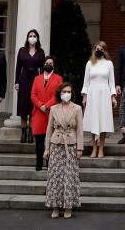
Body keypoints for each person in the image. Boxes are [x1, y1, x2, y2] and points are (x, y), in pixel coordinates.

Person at [44, 82, 84, 219]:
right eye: (63, 92)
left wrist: (80, 148)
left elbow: (80, 129)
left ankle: (68, 206)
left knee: (69, 177)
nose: (66, 94)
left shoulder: (77, 108)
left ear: (72, 94)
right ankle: (55, 206)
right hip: (56, 144)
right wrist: (46, 148)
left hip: (71, 145)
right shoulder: (54, 108)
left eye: (68, 92)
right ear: (59, 94)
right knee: (55, 177)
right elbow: (49, 129)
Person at [82, 41, 117, 158]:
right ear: (94, 50)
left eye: (101, 49)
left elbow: (112, 82)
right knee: (93, 120)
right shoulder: (89, 64)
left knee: (103, 121)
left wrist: (113, 97)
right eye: (97, 48)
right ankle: (94, 148)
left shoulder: (109, 64)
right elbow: (86, 82)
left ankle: (101, 148)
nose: (99, 51)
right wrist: (85, 96)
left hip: (104, 94)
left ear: (104, 51)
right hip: (92, 93)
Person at [31, 54, 62, 170]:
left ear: (54, 66)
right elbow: (33, 95)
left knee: (50, 140)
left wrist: (47, 105)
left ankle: (49, 164)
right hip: (39, 113)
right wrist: (40, 105)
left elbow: (57, 95)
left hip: (51, 113)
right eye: (46, 63)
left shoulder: (58, 78)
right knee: (39, 141)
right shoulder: (37, 78)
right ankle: (38, 164)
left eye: (50, 64)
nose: (48, 65)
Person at [15, 29, 46, 144]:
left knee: (33, 107)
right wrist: (16, 82)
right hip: (24, 79)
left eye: (34, 36)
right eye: (30, 36)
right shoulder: (22, 51)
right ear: (27, 38)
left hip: (36, 79)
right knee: (23, 106)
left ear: (37, 38)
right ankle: (23, 133)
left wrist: (43, 81)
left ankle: (31, 132)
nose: (32, 37)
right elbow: (18, 67)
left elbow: (43, 69)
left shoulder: (40, 52)